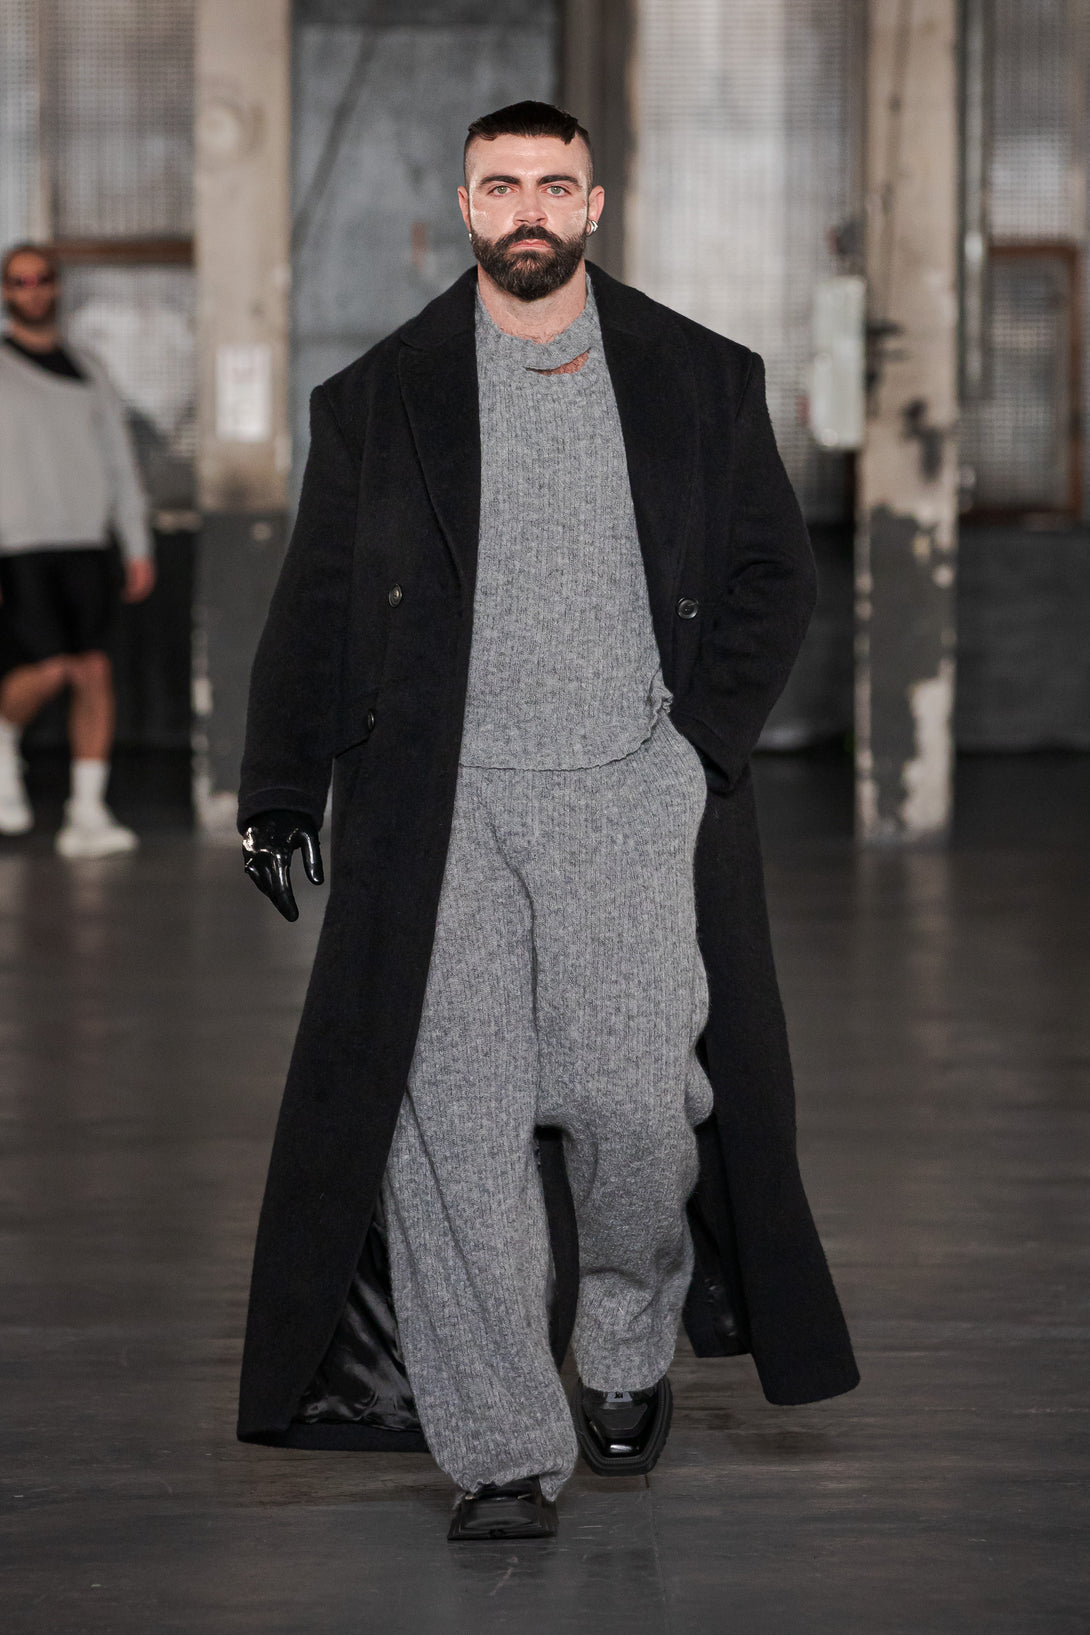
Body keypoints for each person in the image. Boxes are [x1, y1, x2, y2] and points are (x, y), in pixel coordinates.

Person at [237, 102, 858, 1542]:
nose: (528, 206)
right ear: (465, 206)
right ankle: (505, 1451)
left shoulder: (700, 377)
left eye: (553, 185)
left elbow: (773, 575)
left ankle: (626, 1334)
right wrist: (279, 785)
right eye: (501, 184)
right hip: (436, 813)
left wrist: (690, 753)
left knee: (635, 1106)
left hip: (628, 801)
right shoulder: (379, 395)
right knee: (451, 1130)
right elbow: (319, 600)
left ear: (594, 206)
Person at [0, 242, 155, 855]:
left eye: (41, 278)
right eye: (19, 281)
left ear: (57, 286)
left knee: (94, 671)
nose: (32, 289)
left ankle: (87, 813)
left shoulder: (89, 369)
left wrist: (136, 543)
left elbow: (119, 462)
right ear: (7, 291)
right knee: (48, 669)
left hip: (87, 544)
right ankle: (2, 747)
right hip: (19, 544)